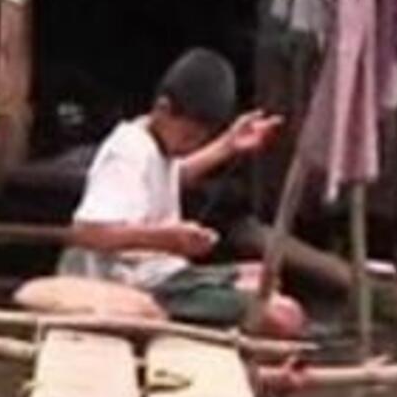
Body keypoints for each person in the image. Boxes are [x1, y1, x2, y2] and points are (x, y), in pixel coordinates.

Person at [61, 48, 306, 337]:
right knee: (284, 315)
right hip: (133, 284)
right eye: (190, 136)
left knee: (262, 277)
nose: (192, 144)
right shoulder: (127, 153)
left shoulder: (153, 143)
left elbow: (175, 174)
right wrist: (169, 239)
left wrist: (228, 145)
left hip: (161, 275)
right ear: (163, 109)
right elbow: (85, 231)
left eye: (201, 138)